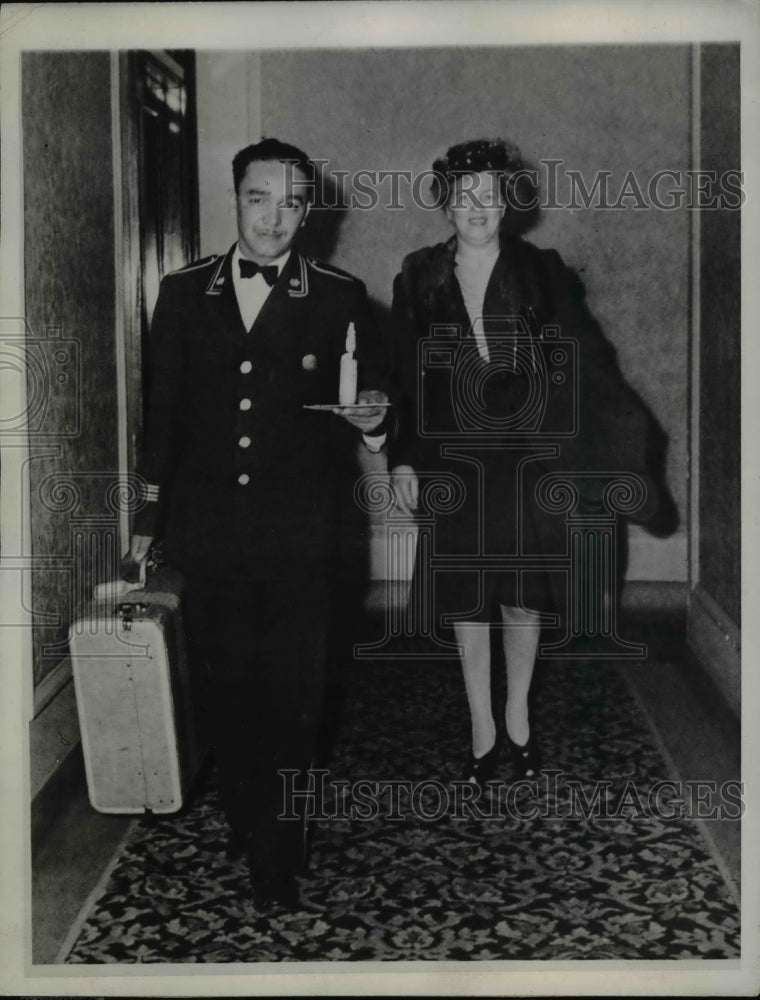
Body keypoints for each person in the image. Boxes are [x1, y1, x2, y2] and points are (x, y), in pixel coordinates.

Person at [130, 138, 389, 911]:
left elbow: (372, 403)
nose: (275, 218)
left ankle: (276, 855)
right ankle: (249, 810)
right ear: (234, 199)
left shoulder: (341, 295)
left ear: (309, 210)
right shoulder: (180, 293)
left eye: (293, 202)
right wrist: (148, 515)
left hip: (304, 540)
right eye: (259, 198)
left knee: (295, 700)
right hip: (208, 535)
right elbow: (162, 416)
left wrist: (375, 422)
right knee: (227, 695)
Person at [388, 138, 666, 789]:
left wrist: (625, 437)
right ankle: (481, 726)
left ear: (508, 200)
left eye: (490, 193)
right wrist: (402, 460)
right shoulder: (417, 274)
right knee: (468, 602)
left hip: (528, 459)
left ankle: (518, 719)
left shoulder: (543, 269)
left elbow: (590, 358)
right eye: (465, 194)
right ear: (445, 202)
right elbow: (402, 375)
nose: (478, 206)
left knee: (520, 598)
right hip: (455, 458)